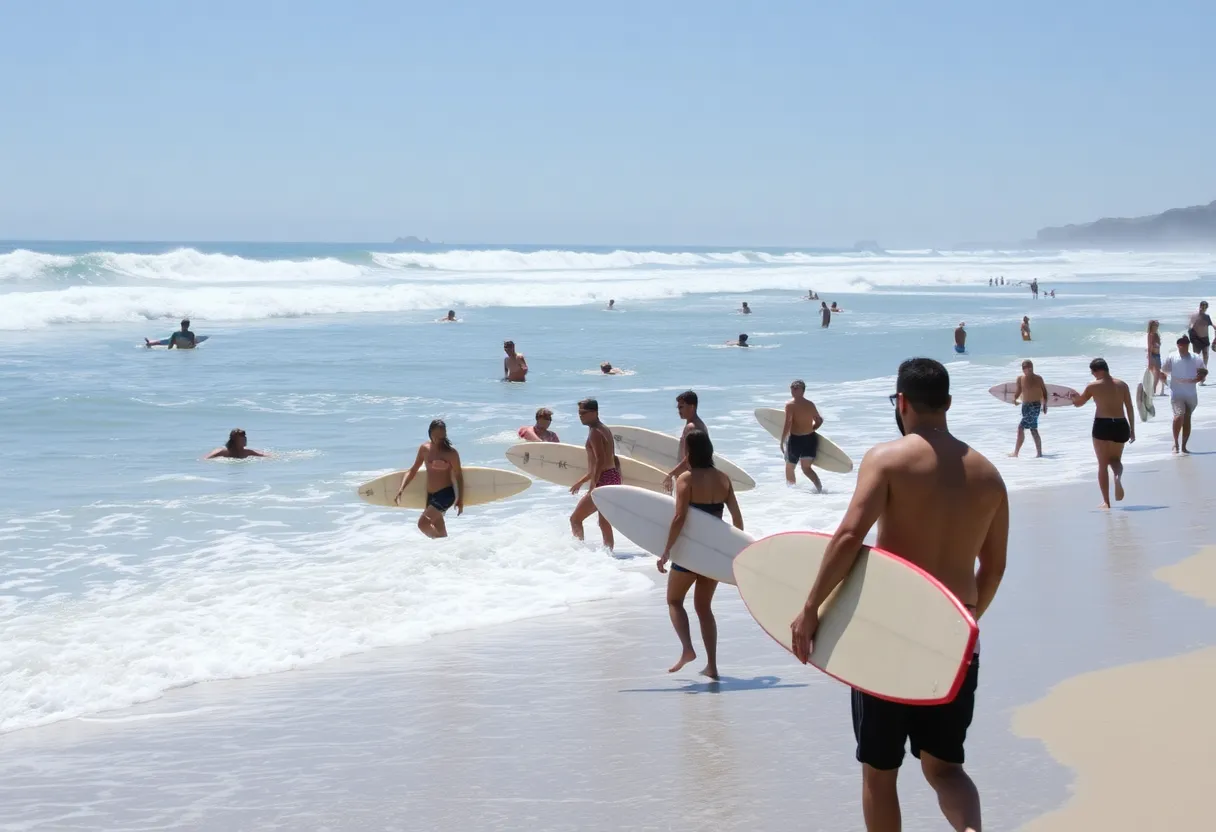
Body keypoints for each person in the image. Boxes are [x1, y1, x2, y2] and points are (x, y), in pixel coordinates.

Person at [790, 357, 1008, 832]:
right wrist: (964, 623)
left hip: (887, 633)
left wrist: (811, 608)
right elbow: (992, 569)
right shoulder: (990, 476)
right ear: (948, 403)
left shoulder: (887, 459)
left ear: (902, 402)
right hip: (953, 636)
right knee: (946, 768)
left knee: (880, 772)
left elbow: (850, 536)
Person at [657, 429, 743, 681]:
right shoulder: (724, 479)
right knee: (704, 608)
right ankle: (713, 666)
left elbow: (680, 517)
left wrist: (666, 550)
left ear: (689, 452)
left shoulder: (686, 479)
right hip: (713, 553)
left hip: (690, 551)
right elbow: (737, 518)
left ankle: (687, 649)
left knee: (674, 601)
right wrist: (733, 550)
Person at [1069, 359, 1135, 509]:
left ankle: (1106, 501)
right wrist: (1132, 429)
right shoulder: (1122, 385)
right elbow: (1129, 407)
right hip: (1121, 424)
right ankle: (1117, 477)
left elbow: (1079, 402)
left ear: (1098, 371)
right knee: (1116, 460)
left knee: (1102, 464)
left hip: (1102, 424)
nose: (1093, 375)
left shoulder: (1093, 386)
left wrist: (1073, 397)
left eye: (1093, 372)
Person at [394, 419, 465, 538]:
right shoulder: (424, 449)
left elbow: (459, 476)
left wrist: (460, 500)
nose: (438, 440)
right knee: (440, 531)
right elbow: (413, 470)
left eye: (441, 438)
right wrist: (401, 489)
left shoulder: (451, 453)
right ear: (429, 433)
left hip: (445, 494)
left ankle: (439, 545)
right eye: (435, 436)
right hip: (430, 496)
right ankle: (446, 550)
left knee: (423, 524)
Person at [569, 398, 620, 549]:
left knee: (575, 519)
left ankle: (579, 552)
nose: (580, 416)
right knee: (604, 521)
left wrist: (593, 486)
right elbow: (609, 461)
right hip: (612, 476)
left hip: (603, 479)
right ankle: (609, 554)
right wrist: (581, 481)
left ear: (595, 412)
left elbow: (600, 461)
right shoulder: (604, 428)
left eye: (584, 413)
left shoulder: (595, 433)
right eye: (579, 413)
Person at [1162, 335, 1207, 454]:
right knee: (1179, 415)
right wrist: (1165, 383)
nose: (1182, 345)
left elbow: (1203, 372)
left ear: (1188, 344)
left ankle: (1184, 446)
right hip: (1176, 393)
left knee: (1187, 419)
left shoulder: (1195, 357)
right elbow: (1163, 371)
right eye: (1180, 343)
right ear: (1177, 345)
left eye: (1185, 343)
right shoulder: (1172, 356)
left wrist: (1195, 380)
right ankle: (1176, 443)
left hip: (1191, 394)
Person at [780, 379, 824, 492]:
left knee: (790, 467)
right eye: (792, 387)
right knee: (806, 468)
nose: (793, 389)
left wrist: (782, 440)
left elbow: (788, 423)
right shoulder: (810, 404)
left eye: (796, 387)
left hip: (796, 440)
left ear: (802, 390)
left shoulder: (790, 405)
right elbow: (819, 420)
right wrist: (813, 428)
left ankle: (792, 492)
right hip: (810, 438)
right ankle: (820, 489)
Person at [661, 390, 709, 490]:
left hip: (691, 480)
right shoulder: (699, 424)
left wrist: (671, 474)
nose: (679, 411)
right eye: (678, 407)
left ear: (692, 407)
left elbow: (690, 457)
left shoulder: (691, 427)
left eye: (681, 407)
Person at [1009, 360, 1048, 458]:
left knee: (1021, 427)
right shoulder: (1020, 379)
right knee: (1033, 429)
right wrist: (1015, 399)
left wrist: (1045, 405)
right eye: (1025, 368)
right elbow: (1019, 391)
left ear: (1032, 368)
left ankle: (1016, 453)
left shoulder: (1038, 378)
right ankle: (1039, 453)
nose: (1027, 370)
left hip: (1035, 406)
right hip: (1025, 406)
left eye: (1029, 368)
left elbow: (1044, 392)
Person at [1187, 301, 1213, 373]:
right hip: (1197, 339)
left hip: (1205, 338)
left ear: (1206, 308)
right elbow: (1190, 325)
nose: (1203, 308)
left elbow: (1212, 325)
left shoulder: (1207, 317)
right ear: (1200, 306)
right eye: (1202, 306)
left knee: (1206, 355)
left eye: (1205, 307)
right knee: (1196, 356)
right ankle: (1196, 372)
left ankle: (1204, 370)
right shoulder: (1195, 316)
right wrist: (1191, 336)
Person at [1147, 320, 1165, 396]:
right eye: (1154, 326)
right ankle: (1153, 390)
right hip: (1153, 355)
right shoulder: (1150, 335)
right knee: (1155, 373)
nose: (1156, 327)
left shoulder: (1156, 335)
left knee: (1157, 373)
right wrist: (1149, 358)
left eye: (1157, 326)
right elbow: (1149, 347)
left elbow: (1158, 346)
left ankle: (1154, 389)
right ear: (1151, 326)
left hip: (1157, 355)